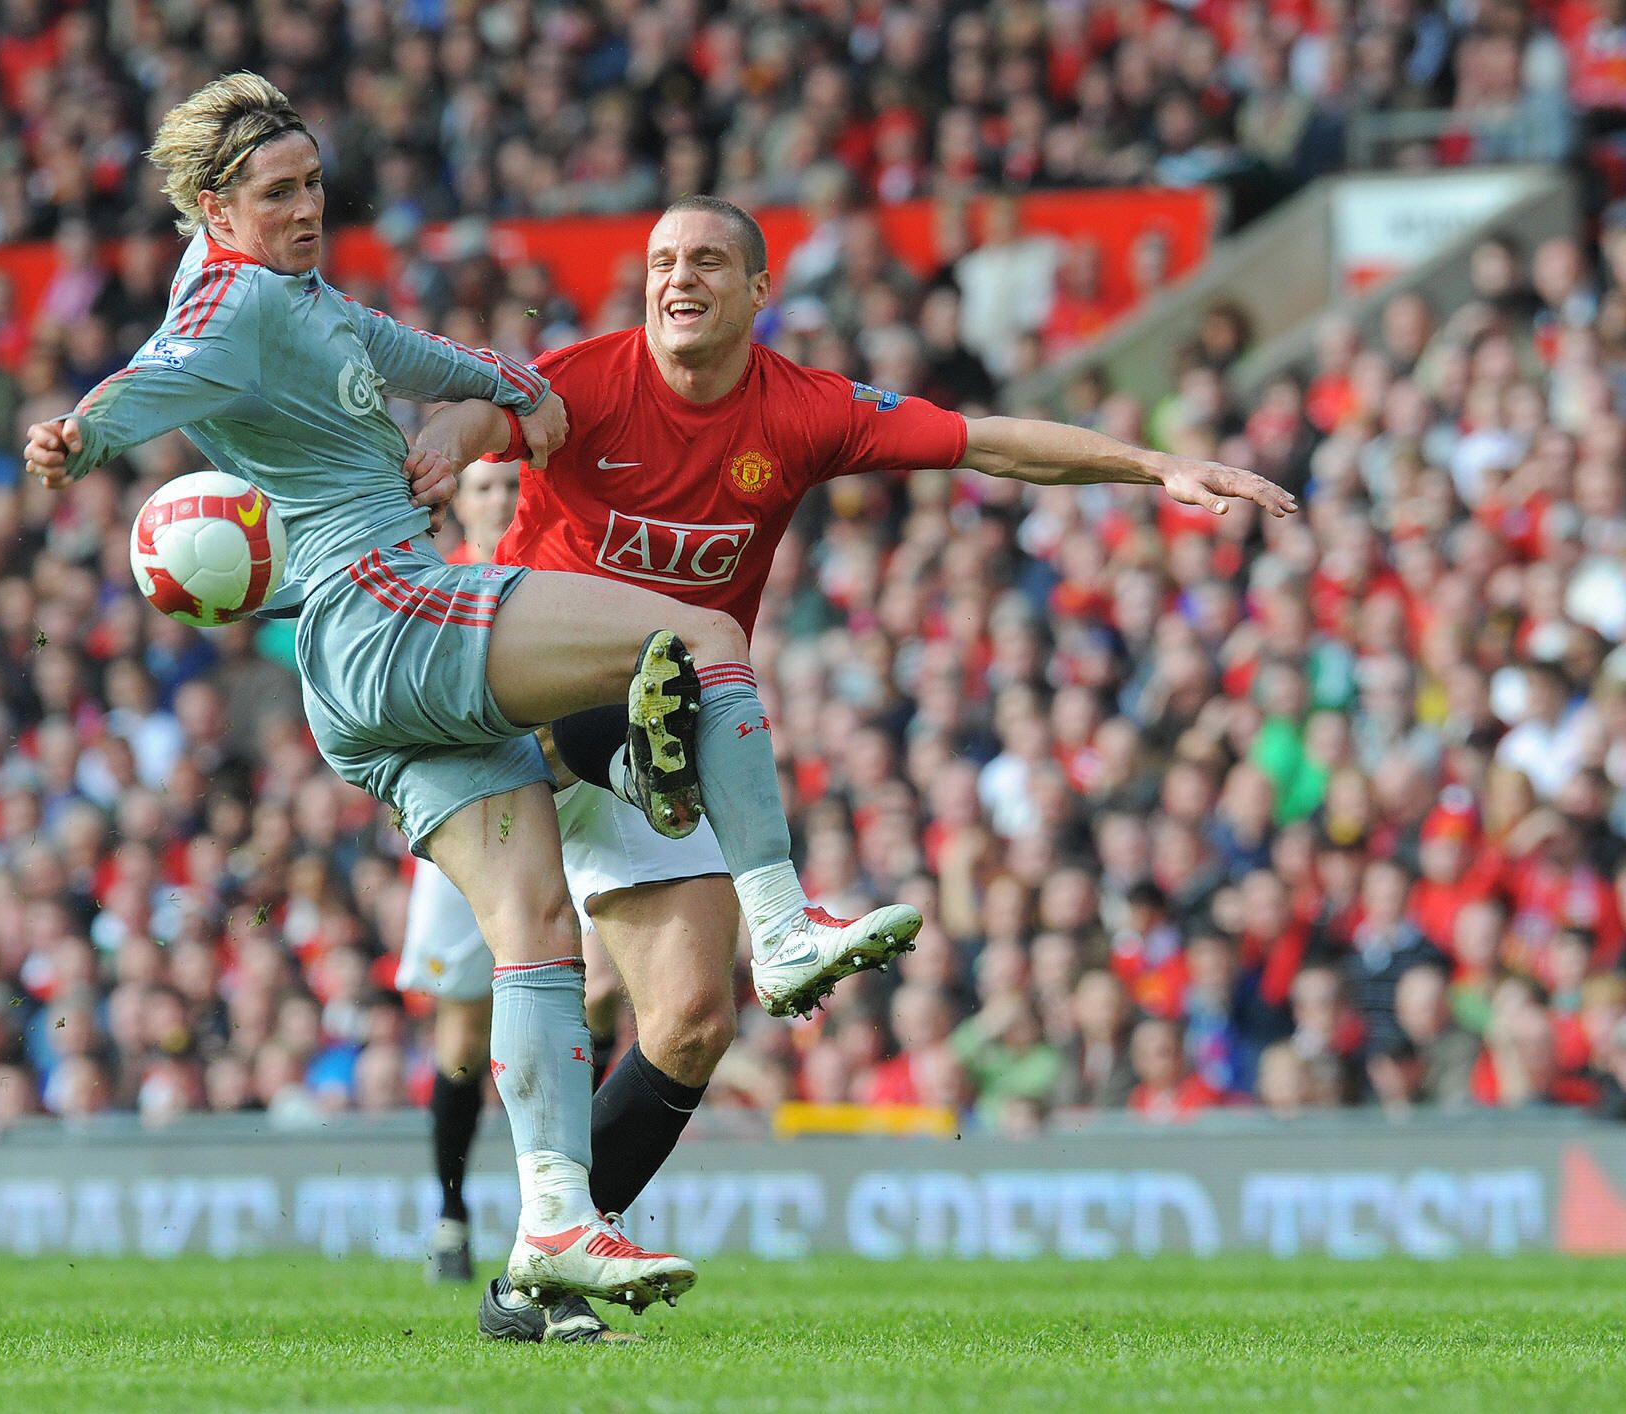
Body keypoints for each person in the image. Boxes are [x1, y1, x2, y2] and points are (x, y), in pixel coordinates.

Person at [20, 74, 922, 1319]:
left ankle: (554, 1220)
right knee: (697, 626)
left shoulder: (301, 305)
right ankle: (779, 921)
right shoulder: (228, 295)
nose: (304, 209)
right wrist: (86, 429)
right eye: (277, 192)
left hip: (357, 689)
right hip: (383, 607)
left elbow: (422, 354)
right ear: (215, 206)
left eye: (312, 187)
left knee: (537, 930)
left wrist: (513, 387)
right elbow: (162, 375)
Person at [413, 192, 1297, 1339]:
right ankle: (759, 899)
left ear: (757, 290)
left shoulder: (799, 411)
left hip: (661, 726)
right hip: (533, 712)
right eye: (661, 261)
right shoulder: (581, 380)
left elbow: (985, 442)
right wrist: (445, 439)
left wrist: (1150, 463)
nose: (678, 279)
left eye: (708, 262)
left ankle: (537, 1279)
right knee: (669, 662)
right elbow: (484, 422)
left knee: (687, 1021)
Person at [399, 457, 624, 1290]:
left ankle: (573, 1204)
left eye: (512, 487)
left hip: (569, 810)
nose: (501, 499)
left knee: (600, 991)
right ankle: (452, 1211)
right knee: (460, 1035)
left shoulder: (559, 582)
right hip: (470, 818)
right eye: (485, 487)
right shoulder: (427, 587)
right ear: (457, 505)